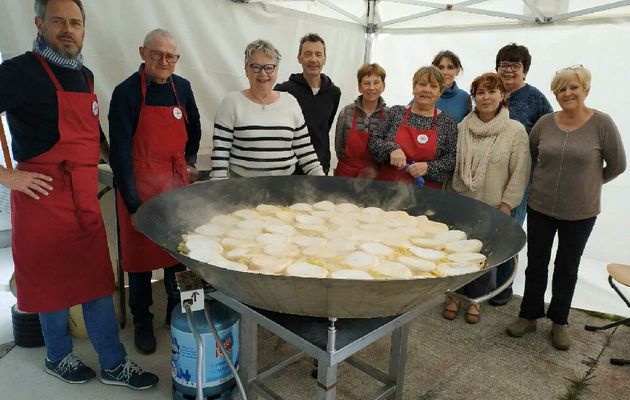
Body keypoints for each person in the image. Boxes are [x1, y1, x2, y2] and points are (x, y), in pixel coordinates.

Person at [0, 0, 157, 389]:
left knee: (96, 281)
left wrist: (123, 167)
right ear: (39, 23)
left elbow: (94, 136)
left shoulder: (84, 76)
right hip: (43, 197)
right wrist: (7, 177)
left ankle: (113, 364)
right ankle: (57, 357)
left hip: (83, 196)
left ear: (84, 28)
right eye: (58, 21)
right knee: (51, 283)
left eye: (75, 22)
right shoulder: (18, 72)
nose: (68, 29)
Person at [506, 65, 626, 350]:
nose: (567, 93)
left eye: (573, 87)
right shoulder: (545, 123)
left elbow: (618, 165)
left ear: (586, 89)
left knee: (567, 267)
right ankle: (529, 315)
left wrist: (591, 184)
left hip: (580, 213)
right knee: (536, 264)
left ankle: (559, 322)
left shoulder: (602, 124)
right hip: (540, 206)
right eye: (561, 89)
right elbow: (533, 158)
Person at [109, 28, 201, 354]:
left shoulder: (183, 88)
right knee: (140, 262)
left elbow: (195, 129)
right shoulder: (126, 92)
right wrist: (133, 204)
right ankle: (143, 321)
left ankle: (178, 313)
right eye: (157, 54)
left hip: (175, 187)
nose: (164, 61)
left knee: (179, 254)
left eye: (171, 56)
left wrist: (186, 161)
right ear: (143, 53)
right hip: (138, 186)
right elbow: (119, 152)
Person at [444, 72, 530, 324]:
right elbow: (452, 167)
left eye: (492, 91)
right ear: (474, 98)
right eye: (480, 92)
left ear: (503, 96)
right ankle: (454, 296)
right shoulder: (462, 128)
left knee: (483, 256)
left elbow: (520, 172)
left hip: (494, 207)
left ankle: (475, 302)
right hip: (460, 203)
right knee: (455, 252)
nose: (486, 97)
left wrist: (506, 205)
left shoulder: (515, 131)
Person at [490, 43, 554, 306]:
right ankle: (483, 282)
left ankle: (504, 285)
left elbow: (549, 132)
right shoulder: (490, 93)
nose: (508, 70)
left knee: (509, 230)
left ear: (525, 70)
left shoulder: (536, 99)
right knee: (485, 229)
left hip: (519, 177)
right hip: (489, 176)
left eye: (515, 65)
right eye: (504, 64)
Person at [210, 39, 325, 179]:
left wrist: (322, 181)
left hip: (284, 184)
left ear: (276, 70)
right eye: (256, 67)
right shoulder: (231, 103)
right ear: (246, 70)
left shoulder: (290, 102)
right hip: (241, 186)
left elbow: (305, 151)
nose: (263, 73)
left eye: (269, 67)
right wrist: (218, 188)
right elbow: (220, 155)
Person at [368, 66, 457, 187]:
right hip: (388, 186)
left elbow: (451, 157)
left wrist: (428, 168)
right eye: (422, 84)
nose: (426, 90)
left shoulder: (447, 122)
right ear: (414, 87)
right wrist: (391, 148)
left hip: (426, 190)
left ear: (440, 92)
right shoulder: (396, 112)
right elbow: (374, 141)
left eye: (433, 86)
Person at [275, 33, 341, 175]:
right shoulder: (284, 90)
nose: (313, 59)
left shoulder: (334, 93)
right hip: (289, 167)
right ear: (299, 58)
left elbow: (325, 127)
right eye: (308, 54)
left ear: (324, 59)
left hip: (320, 164)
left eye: (318, 54)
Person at [334, 63, 389, 178]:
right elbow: (339, 147)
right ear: (359, 87)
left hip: (376, 177)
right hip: (346, 174)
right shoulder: (346, 112)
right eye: (366, 83)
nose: (371, 88)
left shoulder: (390, 115)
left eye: (376, 83)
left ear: (383, 85)